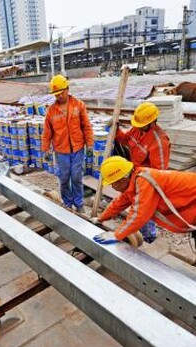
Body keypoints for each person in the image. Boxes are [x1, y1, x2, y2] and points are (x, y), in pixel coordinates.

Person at [93, 156, 196, 245]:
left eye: (112, 183)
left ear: (122, 180)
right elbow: (118, 203)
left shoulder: (144, 182)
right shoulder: (134, 181)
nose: (112, 186)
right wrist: (100, 219)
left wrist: (116, 235)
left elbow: (139, 214)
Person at [114, 101, 171, 243]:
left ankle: (148, 238)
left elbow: (160, 172)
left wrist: (147, 189)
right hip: (136, 174)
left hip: (148, 180)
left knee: (145, 209)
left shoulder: (159, 142)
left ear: (152, 122)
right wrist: (116, 130)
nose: (137, 127)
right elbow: (125, 139)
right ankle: (138, 230)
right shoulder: (138, 129)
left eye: (141, 124)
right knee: (135, 206)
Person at [41, 74, 94, 213]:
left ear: (68, 89)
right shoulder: (51, 111)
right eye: (56, 94)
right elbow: (47, 133)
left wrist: (90, 145)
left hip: (77, 148)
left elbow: (86, 126)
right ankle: (68, 202)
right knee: (64, 178)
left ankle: (79, 203)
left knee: (76, 176)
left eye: (61, 93)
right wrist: (45, 149)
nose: (59, 96)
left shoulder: (78, 105)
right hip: (61, 150)